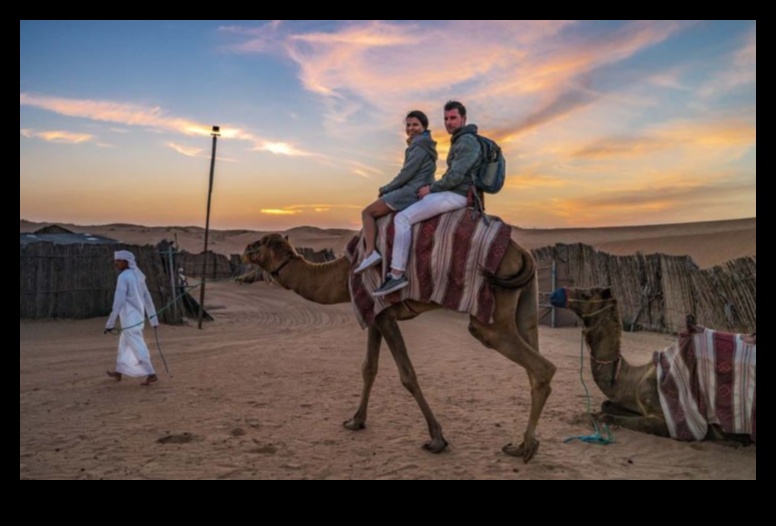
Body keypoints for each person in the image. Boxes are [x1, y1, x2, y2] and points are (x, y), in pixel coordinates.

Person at [372, 100, 481, 296]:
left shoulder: (466, 142)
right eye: (446, 118)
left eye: (453, 118)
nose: (449, 122)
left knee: (402, 218)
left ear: (463, 119)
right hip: (455, 191)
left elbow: (455, 177)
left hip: (457, 195)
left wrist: (432, 188)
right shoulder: (461, 139)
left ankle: (396, 274)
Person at [353, 110, 438, 274]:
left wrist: (386, 188)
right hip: (418, 187)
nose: (411, 128)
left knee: (367, 213)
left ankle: (370, 253)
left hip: (410, 191)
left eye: (415, 125)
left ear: (423, 127)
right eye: (408, 125)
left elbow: (406, 174)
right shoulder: (426, 144)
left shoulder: (419, 146)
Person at [104, 250, 160, 386]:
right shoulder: (137, 276)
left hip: (130, 319)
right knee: (123, 345)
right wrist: (153, 319)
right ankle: (119, 371)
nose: (116, 263)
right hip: (136, 318)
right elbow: (147, 297)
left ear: (126, 262)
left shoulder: (124, 277)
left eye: (119, 260)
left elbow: (119, 301)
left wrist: (110, 323)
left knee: (137, 345)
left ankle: (151, 373)